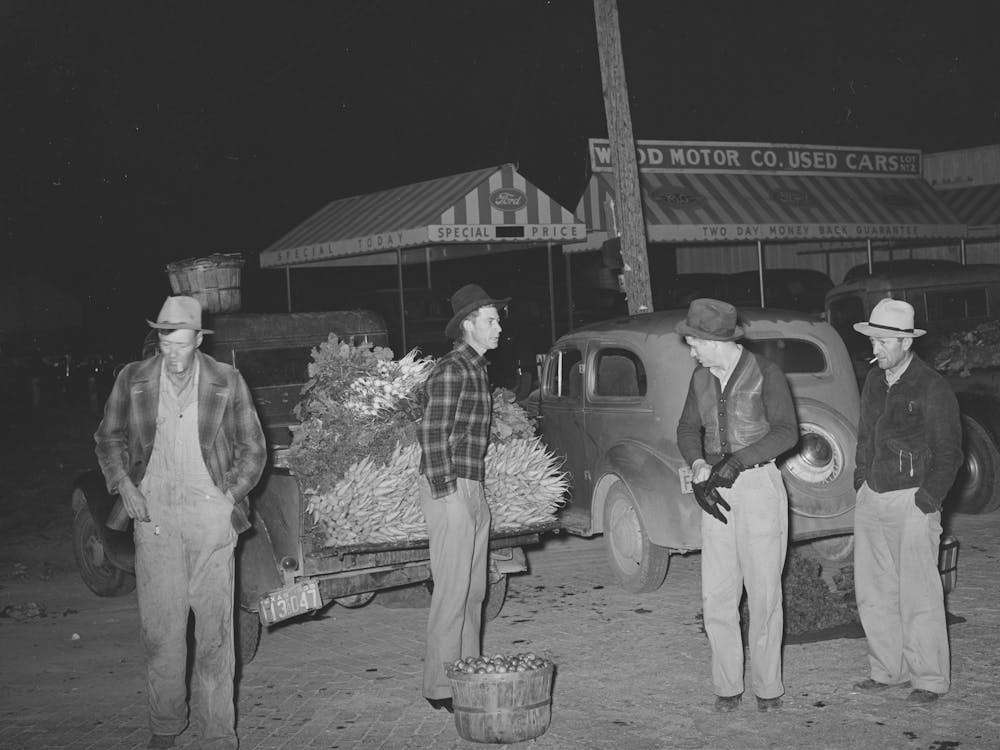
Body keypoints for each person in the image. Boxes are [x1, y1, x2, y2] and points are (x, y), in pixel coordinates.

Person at [95, 295, 266, 750]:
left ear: (198, 339)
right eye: (165, 340)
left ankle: (218, 734)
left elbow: (254, 449)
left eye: (182, 342)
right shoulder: (132, 379)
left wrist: (228, 497)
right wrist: (123, 485)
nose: (172, 351)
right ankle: (166, 725)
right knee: (161, 631)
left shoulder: (227, 381)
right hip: (154, 519)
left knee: (215, 634)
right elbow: (108, 438)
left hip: (210, 520)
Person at [675, 298, 798, 713]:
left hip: (759, 487)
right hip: (717, 489)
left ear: (714, 341)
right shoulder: (700, 378)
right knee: (718, 594)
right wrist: (697, 466)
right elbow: (687, 429)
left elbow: (786, 433)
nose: (691, 351)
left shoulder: (767, 373)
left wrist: (737, 462)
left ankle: (768, 688)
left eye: (694, 342)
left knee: (764, 593)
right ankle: (727, 686)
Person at [851, 297, 962, 704]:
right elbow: (864, 437)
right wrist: (860, 482)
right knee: (874, 591)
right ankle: (887, 670)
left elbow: (950, 453)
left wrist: (927, 499)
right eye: (873, 340)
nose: (875, 349)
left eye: (881, 341)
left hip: (912, 502)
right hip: (872, 498)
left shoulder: (932, 386)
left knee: (919, 594)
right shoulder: (873, 381)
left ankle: (929, 679)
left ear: (904, 342)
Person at [417, 283, 508, 713]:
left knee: (474, 591)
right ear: (469, 324)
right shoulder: (452, 369)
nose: (499, 327)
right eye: (491, 320)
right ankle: (440, 686)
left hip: (472, 485)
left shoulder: (477, 369)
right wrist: (448, 494)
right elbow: (432, 435)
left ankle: (466, 672)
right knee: (452, 592)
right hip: (449, 486)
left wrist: (473, 494)